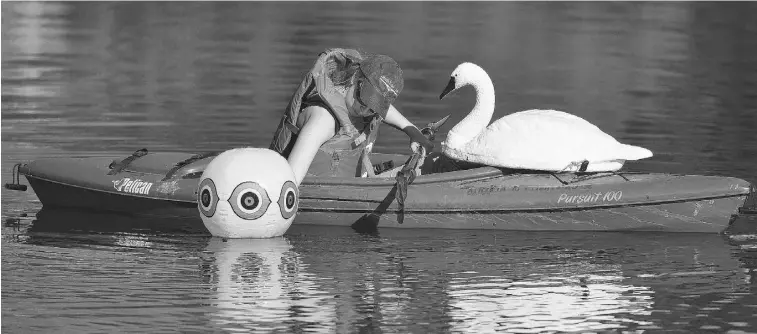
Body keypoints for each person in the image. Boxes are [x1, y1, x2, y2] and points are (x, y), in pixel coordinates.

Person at [270, 48, 435, 185]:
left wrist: (413, 132)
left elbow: (386, 111)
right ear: (355, 78)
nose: (365, 111)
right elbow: (288, 186)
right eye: (365, 101)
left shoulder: (359, 101)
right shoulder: (323, 121)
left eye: (374, 107)